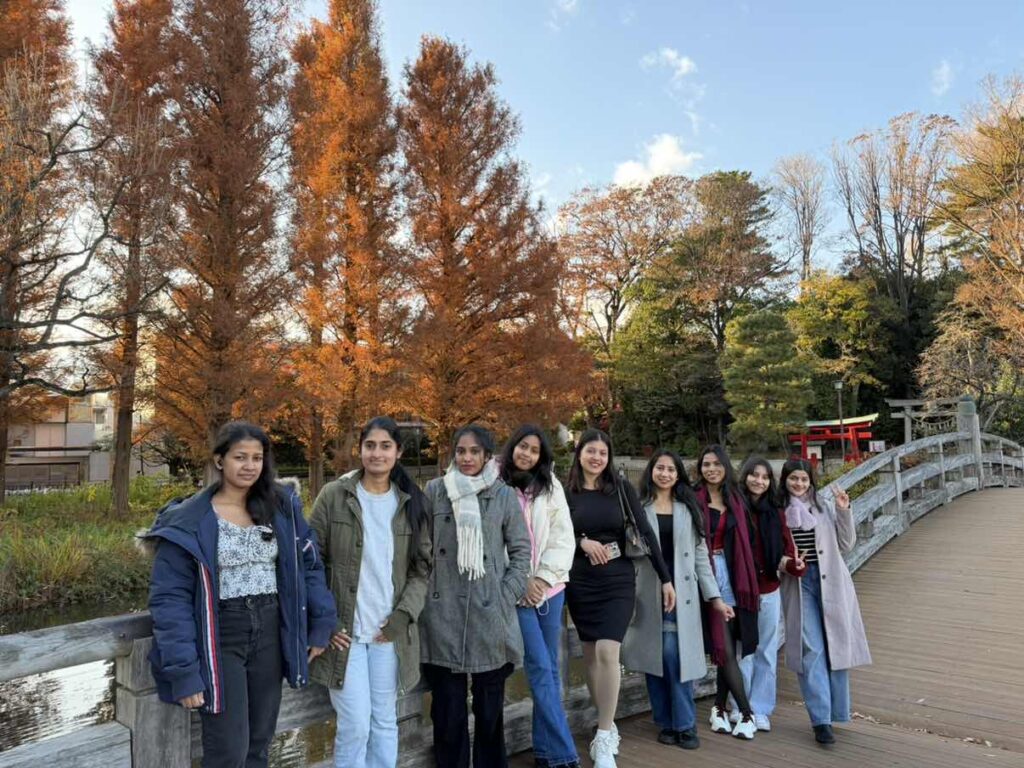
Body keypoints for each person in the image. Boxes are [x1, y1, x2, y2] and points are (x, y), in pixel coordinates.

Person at [144, 421, 337, 768]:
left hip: (271, 629)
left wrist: (321, 624)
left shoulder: (280, 508)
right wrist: (183, 671)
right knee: (228, 750)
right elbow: (170, 600)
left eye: (257, 458)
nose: (249, 465)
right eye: (240, 457)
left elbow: (308, 565)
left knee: (259, 743)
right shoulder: (188, 521)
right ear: (220, 460)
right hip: (221, 635)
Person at [307, 416, 432, 768]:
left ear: (398, 452)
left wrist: (403, 616)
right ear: (360, 449)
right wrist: (325, 620)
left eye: (385, 446)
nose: (377, 453)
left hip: (388, 631)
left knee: (384, 721)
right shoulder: (334, 496)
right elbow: (309, 562)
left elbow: (421, 570)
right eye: (370, 446)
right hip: (344, 633)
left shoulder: (412, 502)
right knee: (355, 725)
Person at [419, 424, 531, 768]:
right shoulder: (436, 490)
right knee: (448, 712)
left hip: (488, 613)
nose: (467, 458)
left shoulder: (502, 495)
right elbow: (421, 549)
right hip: (442, 615)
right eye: (461, 451)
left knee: (489, 709)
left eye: (474, 452)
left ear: (486, 455)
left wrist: (503, 595)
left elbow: (521, 552)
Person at [564, 429, 676, 768]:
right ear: (580, 453)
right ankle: (608, 723)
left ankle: (602, 737)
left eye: (602, 452)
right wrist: (581, 542)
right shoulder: (565, 491)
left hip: (617, 579)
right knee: (590, 655)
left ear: (609, 457)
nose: (596, 458)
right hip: (581, 580)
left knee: (607, 650)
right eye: (591, 451)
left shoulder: (621, 489)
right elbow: (554, 534)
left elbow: (645, 532)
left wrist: (665, 578)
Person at [622, 450, 732, 751]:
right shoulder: (638, 508)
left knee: (674, 656)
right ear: (651, 471)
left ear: (678, 475)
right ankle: (665, 722)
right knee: (654, 658)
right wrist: (633, 535)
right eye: (660, 468)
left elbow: (700, 556)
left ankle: (684, 723)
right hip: (648, 592)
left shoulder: (687, 508)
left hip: (682, 594)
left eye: (671, 469)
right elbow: (630, 552)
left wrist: (715, 597)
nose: (665, 474)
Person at [498, 425, 580, 768]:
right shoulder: (495, 484)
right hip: (516, 592)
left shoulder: (551, 486)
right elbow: (493, 542)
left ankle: (546, 753)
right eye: (522, 446)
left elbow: (563, 537)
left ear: (541, 456)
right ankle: (565, 754)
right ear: (512, 447)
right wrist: (522, 581)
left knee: (551, 670)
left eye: (534, 450)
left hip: (550, 589)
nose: (527, 454)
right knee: (540, 668)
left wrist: (543, 578)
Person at [779, 458, 872, 745]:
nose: (798, 484)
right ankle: (820, 720)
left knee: (836, 645)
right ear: (785, 480)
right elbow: (771, 551)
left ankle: (837, 711)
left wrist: (844, 510)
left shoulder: (824, 507)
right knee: (812, 649)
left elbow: (846, 544)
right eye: (793, 478)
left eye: (803, 479)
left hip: (830, 580)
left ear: (811, 481)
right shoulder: (777, 510)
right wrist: (787, 563)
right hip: (799, 584)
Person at [731, 456, 807, 732]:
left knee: (766, 650)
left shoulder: (776, 512)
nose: (759, 481)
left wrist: (794, 565)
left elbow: (786, 553)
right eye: (754, 475)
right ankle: (740, 706)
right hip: (740, 592)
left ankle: (761, 708)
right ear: (745, 476)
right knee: (742, 650)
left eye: (765, 477)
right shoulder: (733, 508)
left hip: (768, 589)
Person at [693, 444, 759, 740]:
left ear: (725, 467)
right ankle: (746, 713)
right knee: (725, 647)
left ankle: (719, 708)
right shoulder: (692, 498)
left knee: (728, 645)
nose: (711, 469)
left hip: (732, 575)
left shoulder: (736, 498)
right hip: (705, 573)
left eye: (717, 464)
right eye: (706, 464)